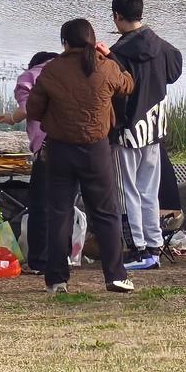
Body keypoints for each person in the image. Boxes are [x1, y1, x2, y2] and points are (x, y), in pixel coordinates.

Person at [26, 18, 135, 295]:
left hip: (60, 150)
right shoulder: (106, 66)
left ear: (64, 42)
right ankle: (115, 276)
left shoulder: (52, 70)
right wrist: (111, 55)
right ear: (92, 39)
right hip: (97, 150)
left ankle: (56, 279)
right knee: (106, 213)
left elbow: (34, 109)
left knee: (59, 213)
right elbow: (128, 85)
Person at [109, 0, 183, 271]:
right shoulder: (162, 46)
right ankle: (153, 246)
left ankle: (138, 249)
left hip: (128, 131)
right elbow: (175, 70)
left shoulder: (118, 53)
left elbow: (116, 93)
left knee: (128, 191)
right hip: (154, 128)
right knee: (149, 191)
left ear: (117, 17)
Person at [0, 50, 58, 274]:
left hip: (47, 147)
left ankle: (38, 262)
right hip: (79, 146)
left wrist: (11, 119)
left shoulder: (30, 77)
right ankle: (64, 257)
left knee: (40, 205)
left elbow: (26, 108)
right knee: (64, 204)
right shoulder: (70, 71)